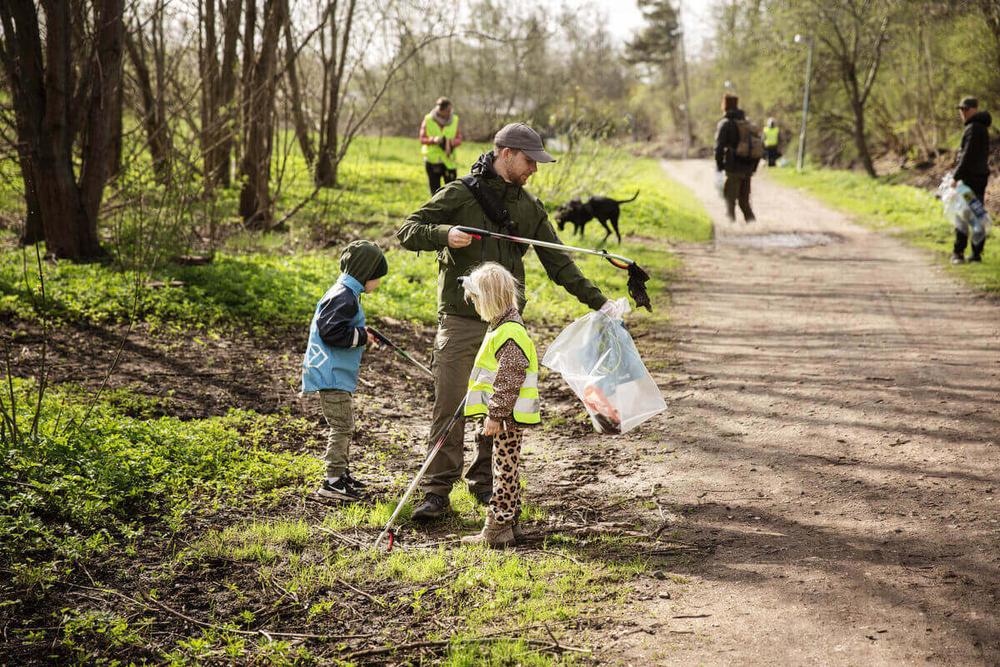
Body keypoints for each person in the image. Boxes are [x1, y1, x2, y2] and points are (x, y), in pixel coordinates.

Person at [396, 122, 616, 521]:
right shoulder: (459, 194)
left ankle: (486, 485)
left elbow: (559, 263)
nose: (534, 169)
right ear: (507, 154)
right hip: (461, 319)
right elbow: (407, 232)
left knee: (497, 406)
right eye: (530, 161)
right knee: (450, 404)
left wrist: (601, 304)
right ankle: (435, 491)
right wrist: (444, 234)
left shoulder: (528, 208)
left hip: (505, 325)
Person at [458, 263, 539, 546]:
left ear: (490, 299)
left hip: (507, 416)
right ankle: (512, 522)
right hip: (507, 414)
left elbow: (509, 378)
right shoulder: (502, 327)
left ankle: (496, 528)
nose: (475, 306)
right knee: (507, 467)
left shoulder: (509, 332)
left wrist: (495, 414)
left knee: (503, 469)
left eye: (477, 300)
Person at [302, 240, 388, 501]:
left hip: (336, 374)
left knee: (344, 425)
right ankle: (332, 482)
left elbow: (338, 328)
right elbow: (331, 331)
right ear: (365, 273)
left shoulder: (346, 293)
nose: (379, 283)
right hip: (331, 375)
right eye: (378, 277)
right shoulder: (344, 296)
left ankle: (341, 474)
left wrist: (365, 335)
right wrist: (361, 336)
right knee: (342, 427)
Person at [951, 97, 992, 264]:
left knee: (963, 214)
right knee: (977, 214)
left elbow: (967, 156)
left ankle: (959, 253)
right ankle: (976, 253)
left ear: (974, 109)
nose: (963, 113)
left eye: (965, 109)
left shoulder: (973, 128)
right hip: (979, 178)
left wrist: (956, 176)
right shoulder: (980, 127)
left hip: (970, 181)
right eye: (961, 109)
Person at [714, 93, 758, 223]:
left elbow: (719, 147)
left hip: (733, 166)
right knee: (744, 200)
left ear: (724, 105)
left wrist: (719, 165)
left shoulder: (725, 124)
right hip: (748, 166)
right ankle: (753, 225)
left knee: (730, 199)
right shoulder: (746, 122)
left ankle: (731, 228)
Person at [420, 97, 463, 195]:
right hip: (432, 161)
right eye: (447, 111)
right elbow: (422, 139)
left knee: (451, 192)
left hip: (449, 161)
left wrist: (452, 142)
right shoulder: (428, 119)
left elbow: (459, 139)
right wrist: (433, 140)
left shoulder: (454, 119)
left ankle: (450, 210)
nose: (449, 113)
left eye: (450, 110)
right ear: (440, 110)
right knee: (435, 192)